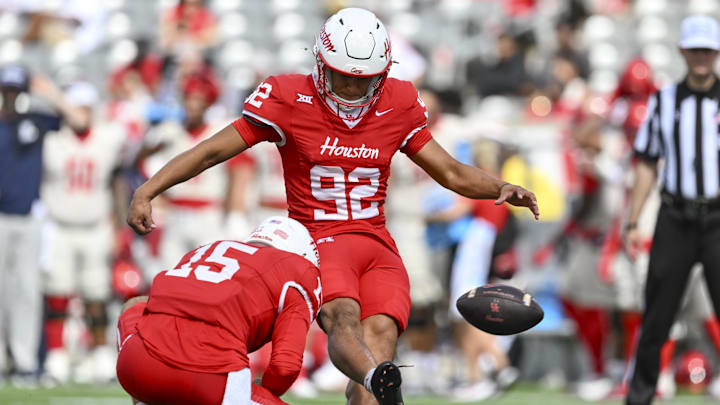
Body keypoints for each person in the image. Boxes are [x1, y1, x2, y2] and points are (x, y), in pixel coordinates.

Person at [127, 8, 539, 405]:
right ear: (322, 64)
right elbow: (210, 152)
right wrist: (150, 188)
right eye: (344, 78)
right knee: (343, 319)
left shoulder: (398, 99)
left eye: (365, 81)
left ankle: (376, 382)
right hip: (318, 240)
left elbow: (448, 171)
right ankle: (378, 378)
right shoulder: (289, 96)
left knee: (378, 341)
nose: (354, 90)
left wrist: (498, 186)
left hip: (377, 243)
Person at [116, 216, 321, 405]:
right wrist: (267, 388)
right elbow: (285, 367)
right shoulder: (298, 269)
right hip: (207, 377)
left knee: (135, 305)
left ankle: (145, 400)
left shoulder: (206, 249)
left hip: (135, 366)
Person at [625, 15, 720, 405]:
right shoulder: (664, 100)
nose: (700, 56)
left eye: (707, 49)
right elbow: (647, 161)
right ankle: (640, 396)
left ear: (715, 53)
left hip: (718, 219)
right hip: (675, 217)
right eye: (694, 49)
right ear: (683, 51)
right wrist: (633, 220)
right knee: (657, 319)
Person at [0, 65, 83, 385]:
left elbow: (78, 120)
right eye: (6, 90)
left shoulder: (34, 120)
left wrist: (48, 92)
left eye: (15, 90)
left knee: (26, 292)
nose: (10, 96)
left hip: (28, 216)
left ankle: (23, 361)